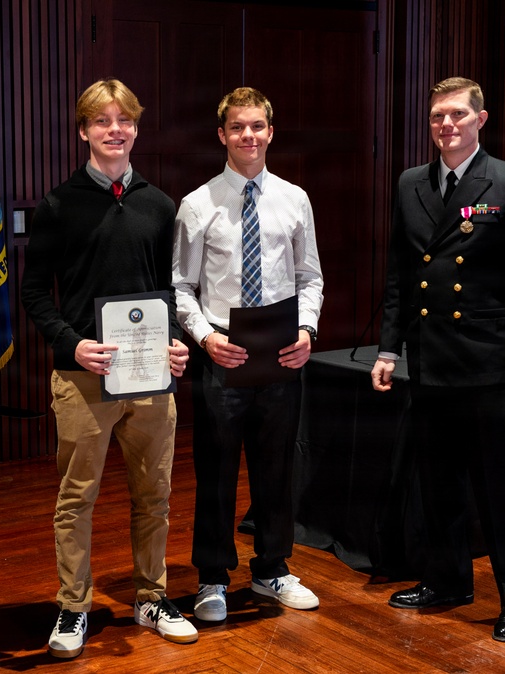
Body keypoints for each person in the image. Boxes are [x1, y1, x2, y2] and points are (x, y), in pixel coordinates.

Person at [371, 76, 505, 642]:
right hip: (431, 362)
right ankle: (447, 580)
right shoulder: (411, 182)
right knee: (439, 484)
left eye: (457, 114)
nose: (446, 124)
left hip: (489, 364)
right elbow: (401, 274)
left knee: (501, 491)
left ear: (481, 119)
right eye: (437, 116)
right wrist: (388, 348)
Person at [20, 78, 198, 658]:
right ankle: (74, 606)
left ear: (136, 130)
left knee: (155, 495)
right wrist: (72, 345)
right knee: (77, 499)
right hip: (83, 377)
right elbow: (34, 294)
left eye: (124, 121)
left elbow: (172, 290)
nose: (114, 130)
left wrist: (175, 342)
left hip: (151, 378)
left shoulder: (160, 205)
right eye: (101, 121)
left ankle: (152, 596)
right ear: (84, 131)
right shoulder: (57, 205)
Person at [173, 87, 324, 622]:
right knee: (215, 471)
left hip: (282, 353)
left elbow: (310, 277)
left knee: (276, 468)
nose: (248, 136)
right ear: (222, 135)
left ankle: (273, 568)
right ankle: (212, 578)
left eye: (257, 126)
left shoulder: (294, 198)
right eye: (238, 127)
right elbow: (182, 286)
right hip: (223, 353)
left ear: (271, 131)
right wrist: (204, 338)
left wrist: (307, 329)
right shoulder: (198, 204)